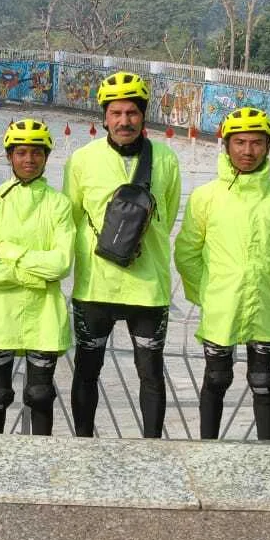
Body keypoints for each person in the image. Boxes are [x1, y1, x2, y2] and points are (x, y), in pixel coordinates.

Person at [63, 72, 182, 438]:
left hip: (148, 288)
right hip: (95, 286)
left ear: (143, 115)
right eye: (115, 113)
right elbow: (71, 217)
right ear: (104, 117)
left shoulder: (166, 159)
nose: (124, 121)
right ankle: (83, 445)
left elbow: (166, 217)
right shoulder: (82, 160)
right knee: (87, 370)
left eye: (132, 112)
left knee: (151, 373)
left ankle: (152, 449)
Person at [175, 107, 270, 440]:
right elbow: (187, 252)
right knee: (217, 379)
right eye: (239, 142)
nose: (248, 151)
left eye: (256, 143)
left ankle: (266, 452)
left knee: (263, 381)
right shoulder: (206, 196)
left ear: (268, 146)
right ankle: (208, 448)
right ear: (226, 145)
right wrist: (206, 294)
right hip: (221, 306)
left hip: (263, 305)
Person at [0, 119, 75, 435]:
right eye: (21, 153)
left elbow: (61, 264)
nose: (29, 160)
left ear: (46, 156)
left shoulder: (58, 204)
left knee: (40, 395)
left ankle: (40, 457)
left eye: (37, 153)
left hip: (43, 315)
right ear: (9, 156)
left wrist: (10, 252)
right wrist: (36, 275)